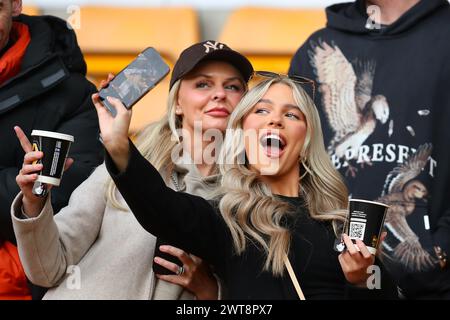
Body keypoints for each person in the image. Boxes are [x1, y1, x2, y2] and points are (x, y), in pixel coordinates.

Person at [95, 72, 390, 299]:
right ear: (243, 135)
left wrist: (363, 281)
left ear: (306, 141)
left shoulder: (344, 226)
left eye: (291, 114)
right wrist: (118, 144)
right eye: (261, 111)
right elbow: (159, 205)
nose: (275, 120)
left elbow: (387, 291)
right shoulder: (226, 217)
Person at [11, 40, 254, 299]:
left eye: (232, 86)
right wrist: (34, 202)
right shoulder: (119, 169)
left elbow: (261, 295)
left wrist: (212, 291)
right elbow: (48, 270)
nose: (219, 94)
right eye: (202, 84)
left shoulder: (253, 195)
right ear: (178, 103)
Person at [288, 0, 450, 299]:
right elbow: (292, 166)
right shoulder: (318, 47)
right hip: (336, 285)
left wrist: (439, 251)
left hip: (434, 286)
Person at [0, 0, 103, 299]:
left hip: (20, 282)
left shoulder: (73, 94)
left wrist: (28, 194)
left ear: (15, 6)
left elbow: (60, 197)